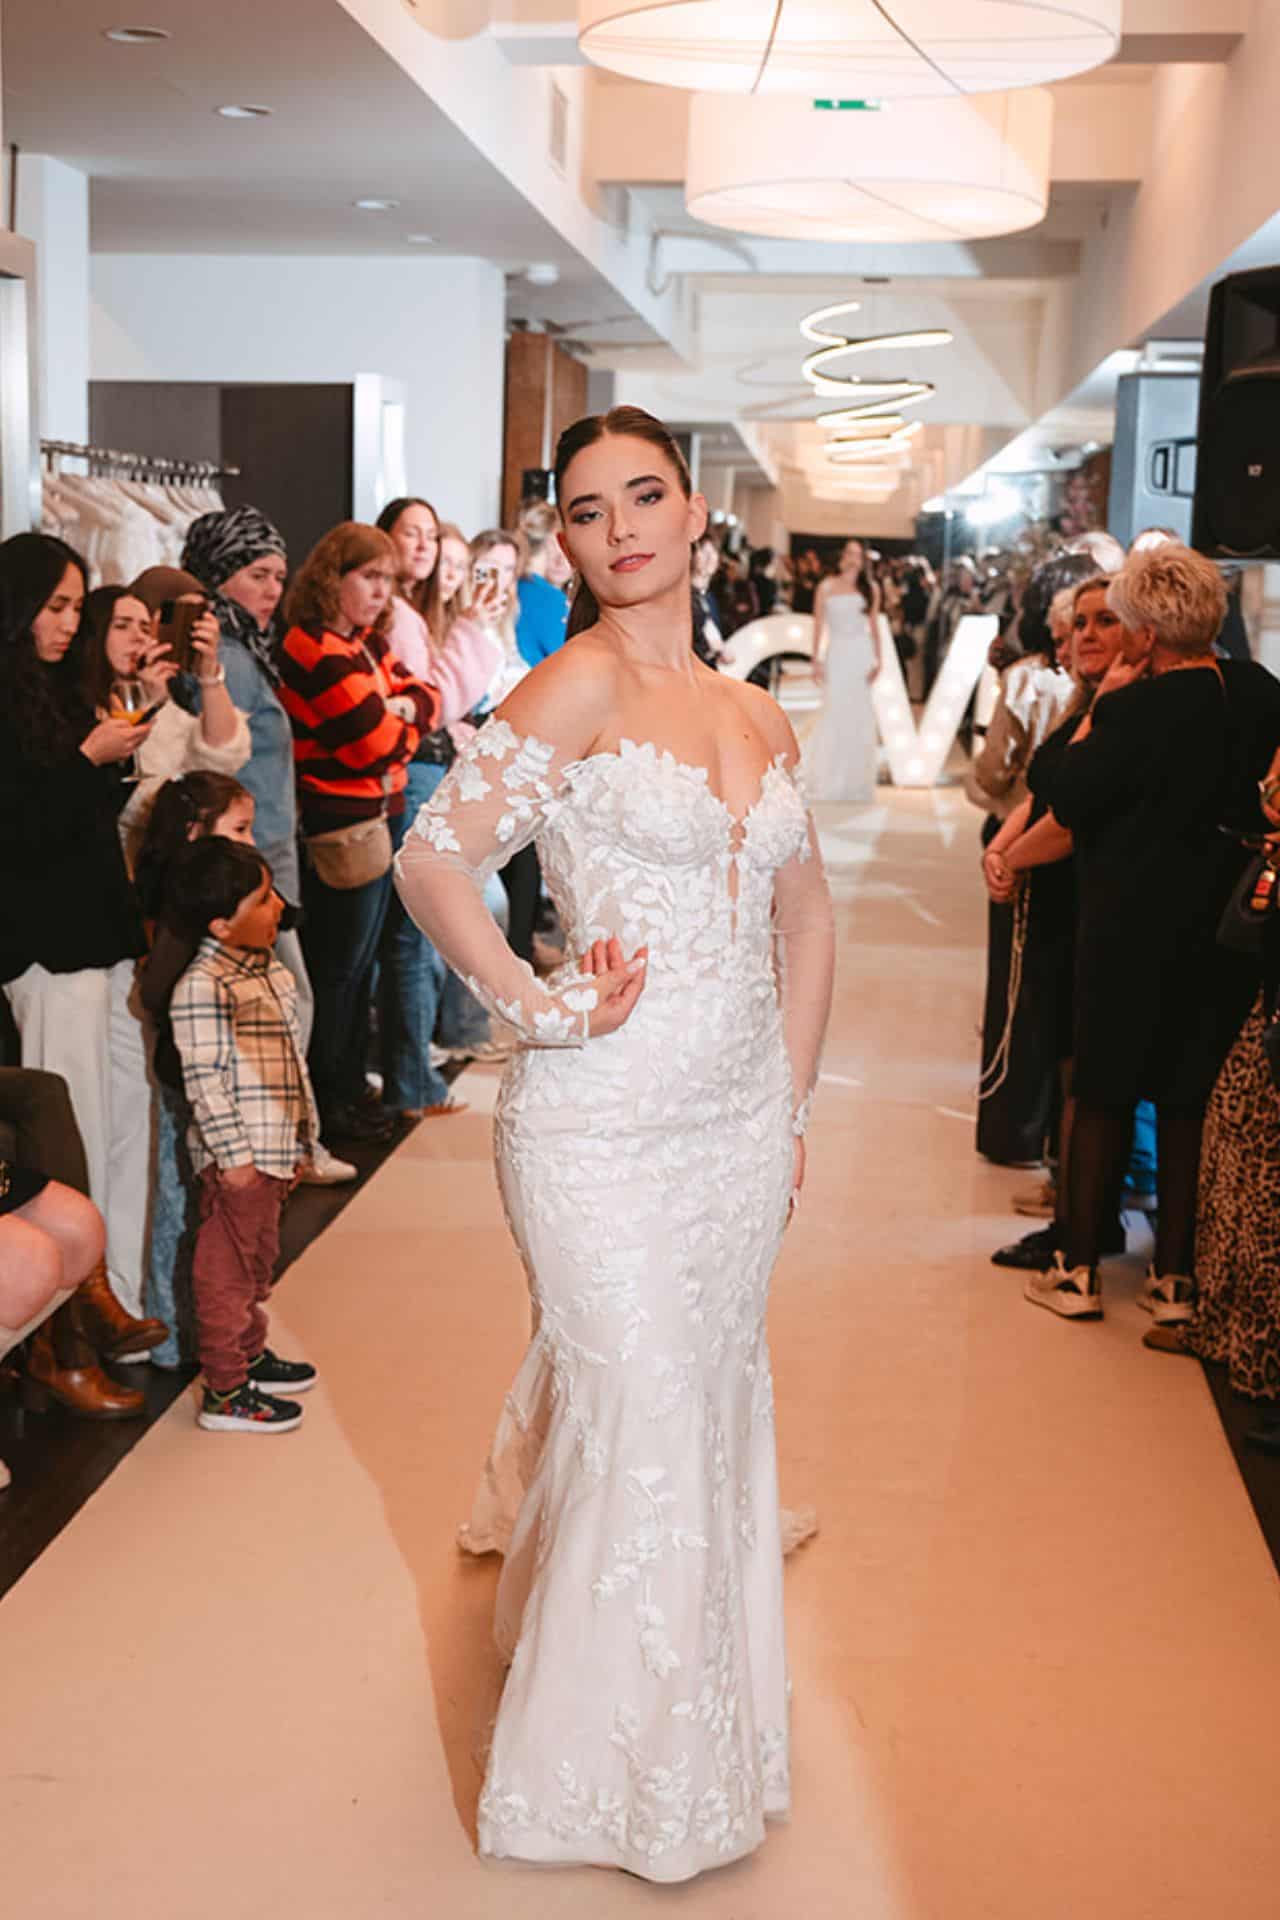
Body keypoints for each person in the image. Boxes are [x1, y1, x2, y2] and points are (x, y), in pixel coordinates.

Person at [395, 404, 835, 1881]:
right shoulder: (573, 681)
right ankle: (593, 1785)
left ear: (695, 513)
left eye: (645, 496)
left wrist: (790, 1105)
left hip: (735, 1129)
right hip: (598, 1126)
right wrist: (534, 1008)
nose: (622, 529)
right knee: (641, 1404)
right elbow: (432, 861)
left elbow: (807, 922)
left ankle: (696, 1741)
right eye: (588, 511)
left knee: (701, 1410)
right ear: (568, 542)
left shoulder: (755, 711)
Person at [1024, 544, 1280, 1323]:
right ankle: (1175, 1280)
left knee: (1102, 1090)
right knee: (1186, 1095)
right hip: (1225, 930)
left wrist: (1099, 705)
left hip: (1128, 926)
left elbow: (1056, 785)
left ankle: (1076, 1269)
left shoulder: (1134, 710)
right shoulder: (1258, 691)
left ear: (1145, 633)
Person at [0, 533, 167, 1336]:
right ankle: (70, 1327)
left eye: (74, 606)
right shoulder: (9, 699)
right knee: (72, 1128)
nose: (70, 623)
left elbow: (83, 820)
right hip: (44, 941)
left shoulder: (57, 690)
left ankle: (118, 1294)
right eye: (55, 606)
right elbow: (18, 830)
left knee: (123, 1118)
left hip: (98, 931)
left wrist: (106, 759)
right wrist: (86, 760)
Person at [278, 522, 439, 1142]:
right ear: (333, 578)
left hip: (379, 814)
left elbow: (428, 695)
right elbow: (371, 744)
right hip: (341, 823)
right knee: (339, 972)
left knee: (361, 965)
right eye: (369, 577)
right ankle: (330, 1101)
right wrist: (399, 716)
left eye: (387, 580)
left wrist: (401, 712)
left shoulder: (363, 642)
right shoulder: (312, 645)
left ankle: (346, 1089)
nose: (381, 592)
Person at [168, 839, 319, 1433]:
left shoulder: (265, 967)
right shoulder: (203, 986)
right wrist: (234, 1161)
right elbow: (205, 1083)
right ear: (220, 924)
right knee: (226, 1275)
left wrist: (302, 1140)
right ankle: (226, 1389)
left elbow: (290, 1066)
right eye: (262, 899)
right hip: (242, 1160)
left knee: (257, 1264)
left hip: (273, 1150)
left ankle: (250, 1354)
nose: (278, 905)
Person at [970, 553, 1097, 1170]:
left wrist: (1004, 846)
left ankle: (1020, 1133)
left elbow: (999, 770)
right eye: (1077, 626)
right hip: (1033, 843)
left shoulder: (1036, 683)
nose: (1079, 642)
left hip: (1032, 847)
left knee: (1024, 995)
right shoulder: (1083, 694)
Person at [180, 506, 315, 1048]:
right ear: (218, 574)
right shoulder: (229, 659)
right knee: (282, 1002)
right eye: (258, 575)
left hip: (261, 842)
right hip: (250, 851)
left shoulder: (246, 649)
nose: (273, 590)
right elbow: (222, 764)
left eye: (279, 576)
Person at [74, 578, 251, 869]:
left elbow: (222, 757)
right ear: (94, 632)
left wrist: (209, 674)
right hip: (100, 863)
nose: (138, 638)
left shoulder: (156, 697)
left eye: (145, 628)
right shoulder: (73, 708)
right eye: (122, 626)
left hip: (162, 867)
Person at [803, 537, 884, 805]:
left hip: (861, 654)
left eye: (858, 554)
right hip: (837, 653)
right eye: (849, 553)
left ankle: (855, 781)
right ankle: (830, 777)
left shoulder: (871, 588)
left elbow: (874, 627)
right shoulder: (826, 586)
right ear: (842, 556)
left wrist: (879, 659)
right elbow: (818, 625)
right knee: (835, 711)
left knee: (859, 715)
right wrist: (815, 659)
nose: (853, 558)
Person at [514, 500, 571, 666]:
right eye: (554, 546)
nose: (560, 559)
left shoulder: (512, 588)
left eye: (566, 549)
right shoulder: (551, 601)